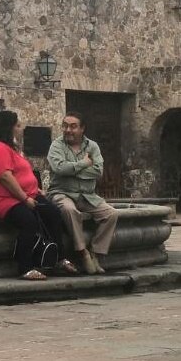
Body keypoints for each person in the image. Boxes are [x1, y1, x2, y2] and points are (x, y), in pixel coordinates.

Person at [0, 110, 77, 280]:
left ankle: (59, 257)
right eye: (17, 125)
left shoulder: (9, 148)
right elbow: (6, 178)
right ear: (8, 128)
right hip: (2, 199)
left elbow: (19, 173)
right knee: (28, 221)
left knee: (53, 214)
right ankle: (25, 266)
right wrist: (25, 198)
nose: (20, 128)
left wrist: (35, 191)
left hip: (23, 194)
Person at [46, 112, 118, 275]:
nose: (68, 130)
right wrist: (84, 163)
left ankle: (95, 252)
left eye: (73, 126)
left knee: (111, 214)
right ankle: (82, 252)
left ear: (82, 129)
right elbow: (58, 168)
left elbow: (98, 171)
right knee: (69, 210)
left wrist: (72, 169)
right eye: (65, 126)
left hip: (87, 195)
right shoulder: (56, 146)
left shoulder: (92, 146)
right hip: (62, 192)